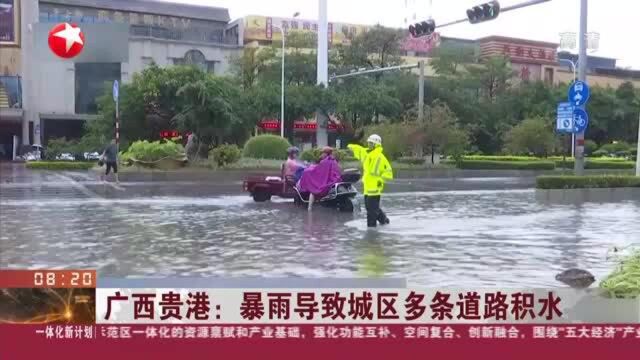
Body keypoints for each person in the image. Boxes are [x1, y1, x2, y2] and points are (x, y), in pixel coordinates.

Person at [348, 134, 393, 227]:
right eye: (368, 142)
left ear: (376, 144)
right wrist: (353, 141)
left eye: (371, 143)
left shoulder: (380, 157)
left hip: (375, 187)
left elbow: (388, 173)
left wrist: (380, 180)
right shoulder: (366, 154)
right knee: (371, 208)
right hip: (367, 187)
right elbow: (354, 148)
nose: (369, 144)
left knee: (371, 211)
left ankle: (371, 230)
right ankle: (384, 220)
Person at [297, 147, 342, 211]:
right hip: (334, 179)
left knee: (313, 191)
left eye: (322, 153)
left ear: (326, 154)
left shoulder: (325, 161)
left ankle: (309, 208)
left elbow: (318, 172)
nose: (321, 155)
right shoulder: (333, 160)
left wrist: (308, 171)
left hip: (328, 181)